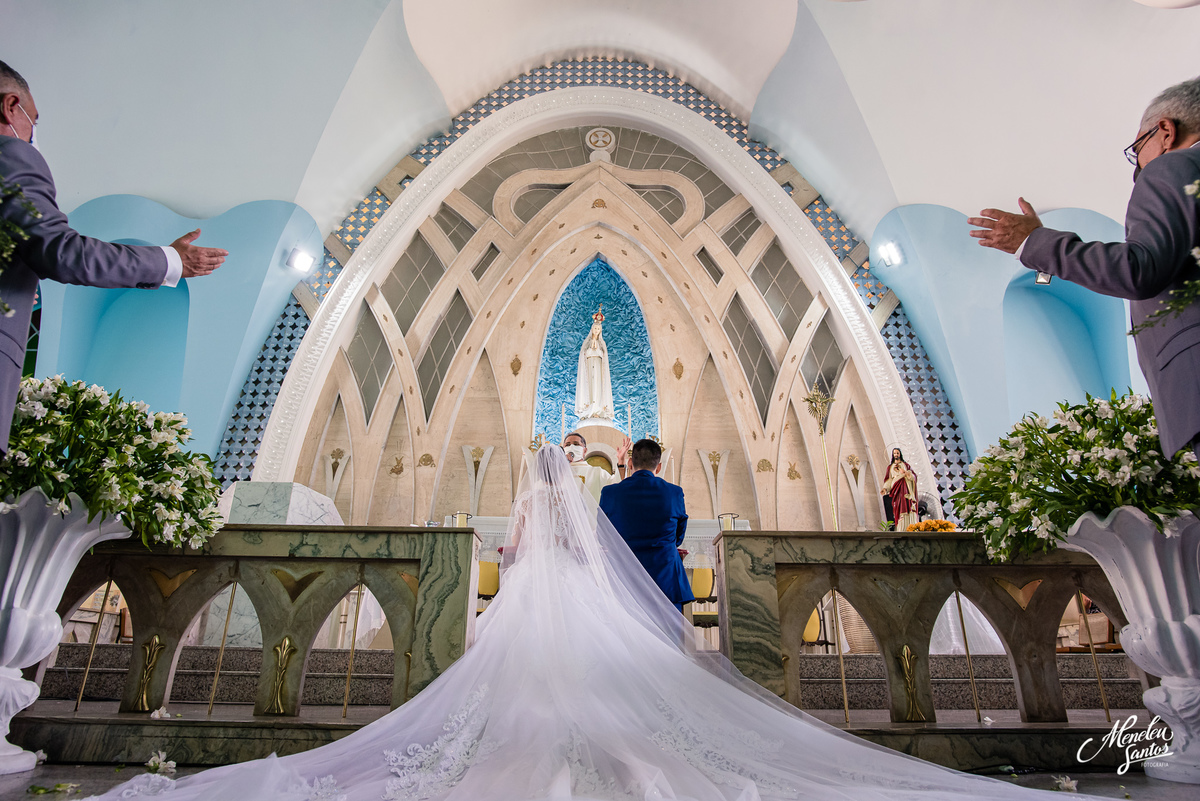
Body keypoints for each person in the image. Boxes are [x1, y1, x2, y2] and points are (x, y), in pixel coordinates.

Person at [87, 444, 1096, 800]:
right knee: (598, 670)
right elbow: (577, 547)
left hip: (531, 591)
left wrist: (521, 559)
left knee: (514, 669)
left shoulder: (548, 502)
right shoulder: (604, 499)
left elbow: (523, 554)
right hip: (600, 585)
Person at [968, 76, 1200, 464]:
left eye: (1137, 148)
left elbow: (1140, 269)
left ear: (1165, 130)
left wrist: (1034, 243)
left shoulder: (1173, 168)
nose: (1137, 169)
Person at [0, 61, 227, 451]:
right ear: (11, 106)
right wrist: (170, 261)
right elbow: (61, 251)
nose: (32, 133)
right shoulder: (12, 155)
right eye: (32, 120)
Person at [598, 438, 694, 612]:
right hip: (664, 578)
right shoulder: (674, 492)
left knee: (626, 637)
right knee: (669, 636)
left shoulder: (609, 492)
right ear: (658, 467)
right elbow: (678, 538)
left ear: (629, 463)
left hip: (624, 577)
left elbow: (602, 535)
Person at [561, 430, 629, 502]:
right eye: (567, 445)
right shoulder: (558, 472)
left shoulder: (597, 472)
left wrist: (621, 462)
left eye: (576, 444)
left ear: (584, 451)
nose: (571, 447)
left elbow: (617, 486)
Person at [881, 447, 918, 532]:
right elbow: (889, 479)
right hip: (895, 489)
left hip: (905, 488)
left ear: (900, 454)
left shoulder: (905, 465)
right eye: (894, 453)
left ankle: (909, 525)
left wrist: (904, 472)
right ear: (893, 455)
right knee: (897, 506)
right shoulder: (890, 467)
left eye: (897, 453)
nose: (896, 455)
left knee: (906, 504)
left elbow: (913, 476)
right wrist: (885, 488)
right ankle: (899, 526)